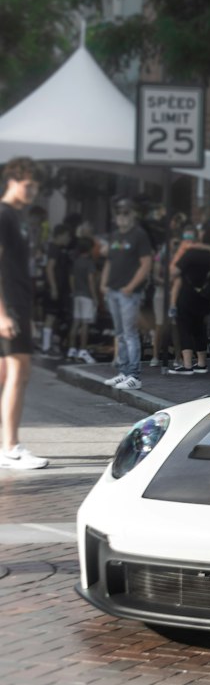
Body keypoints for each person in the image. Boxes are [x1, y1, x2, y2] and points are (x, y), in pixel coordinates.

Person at [0, 158, 48, 468]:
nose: (33, 191)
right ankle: (11, 447)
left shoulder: (17, 216)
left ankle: (6, 445)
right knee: (20, 373)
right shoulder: (4, 215)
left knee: (5, 374)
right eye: (28, 185)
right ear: (13, 181)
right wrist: (3, 313)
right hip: (9, 304)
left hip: (18, 302)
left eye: (36, 187)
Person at [101, 198, 153, 391]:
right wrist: (104, 283)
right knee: (121, 334)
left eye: (126, 213)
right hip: (114, 290)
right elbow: (109, 261)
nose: (122, 217)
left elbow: (146, 263)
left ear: (133, 215)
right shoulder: (115, 235)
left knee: (130, 334)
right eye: (119, 213)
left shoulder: (139, 235)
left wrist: (131, 286)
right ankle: (124, 372)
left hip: (128, 293)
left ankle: (134, 375)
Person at [168, 222, 210, 375]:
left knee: (184, 328)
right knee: (199, 328)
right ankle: (202, 363)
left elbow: (174, 271)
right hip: (205, 295)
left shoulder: (191, 253)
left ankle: (188, 364)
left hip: (187, 294)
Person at [42, 224, 74, 354]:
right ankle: (46, 346)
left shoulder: (58, 249)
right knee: (51, 315)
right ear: (60, 235)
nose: (68, 239)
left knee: (55, 316)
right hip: (54, 287)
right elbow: (50, 268)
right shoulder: (54, 249)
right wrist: (54, 287)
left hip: (60, 287)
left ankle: (50, 344)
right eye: (67, 236)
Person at [67, 236, 98, 364]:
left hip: (77, 295)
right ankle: (83, 350)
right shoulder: (89, 262)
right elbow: (91, 280)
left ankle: (71, 349)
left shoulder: (76, 261)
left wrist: (74, 291)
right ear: (90, 249)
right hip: (86, 296)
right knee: (85, 324)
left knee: (76, 323)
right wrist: (95, 296)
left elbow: (71, 278)